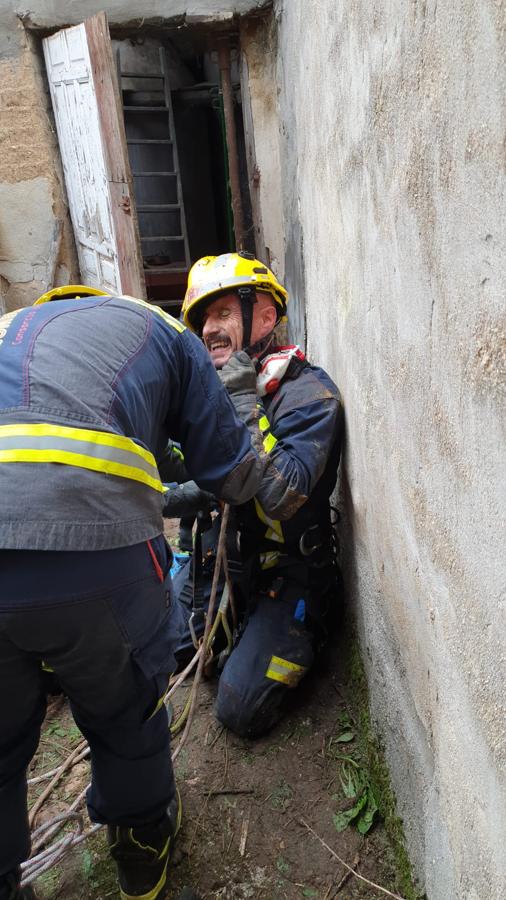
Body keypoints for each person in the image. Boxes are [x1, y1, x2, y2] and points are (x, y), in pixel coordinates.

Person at [0, 284, 270, 900]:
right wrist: (248, 421)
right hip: (90, 550)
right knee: (124, 710)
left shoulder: (11, 327)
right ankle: (142, 851)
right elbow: (232, 472)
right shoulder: (159, 328)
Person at [162, 253, 344, 738]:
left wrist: (243, 402)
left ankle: (312, 627)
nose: (209, 330)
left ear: (264, 316)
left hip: (287, 575)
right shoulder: (216, 395)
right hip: (227, 563)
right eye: (204, 321)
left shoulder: (309, 396)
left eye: (222, 314)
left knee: (238, 710)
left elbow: (280, 496)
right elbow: (203, 477)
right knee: (170, 645)